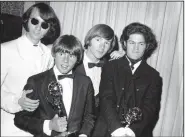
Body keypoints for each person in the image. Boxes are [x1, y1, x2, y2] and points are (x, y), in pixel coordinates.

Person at [14, 35, 95, 137]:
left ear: (78, 59)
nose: (66, 60)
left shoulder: (85, 82)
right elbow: (20, 119)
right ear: (54, 54)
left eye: (71, 56)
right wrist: (48, 125)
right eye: (61, 54)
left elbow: (89, 116)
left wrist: (83, 135)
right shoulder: (36, 81)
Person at [1, 3, 60, 136]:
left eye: (44, 25)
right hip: (9, 123)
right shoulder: (5, 50)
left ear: (49, 29)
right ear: (27, 20)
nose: (38, 28)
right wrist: (17, 101)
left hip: (37, 125)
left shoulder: (48, 55)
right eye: (35, 21)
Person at [94, 22, 162, 137]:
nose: (136, 48)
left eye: (141, 44)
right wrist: (118, 130)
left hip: (136, 133)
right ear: (125, 43)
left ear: (147, 46)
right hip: (107, 129)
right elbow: (106, 99)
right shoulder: (110, 67)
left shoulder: (154, 76)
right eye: (132, 43)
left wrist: (131, 132)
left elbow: (150, 109)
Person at [74, 24, 117, 116]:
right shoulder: (73, 60)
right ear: (89, 40)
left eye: (107, 43)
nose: (102, 46)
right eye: (98, 40)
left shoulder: (110, 67)